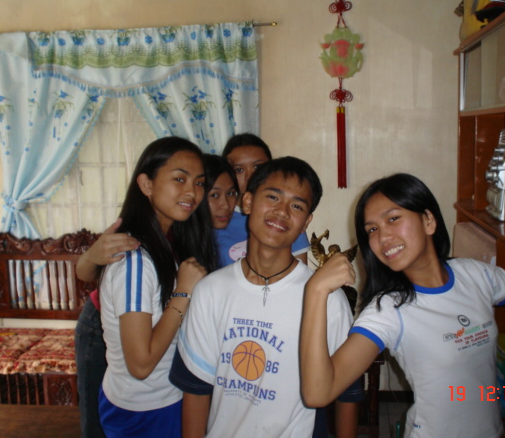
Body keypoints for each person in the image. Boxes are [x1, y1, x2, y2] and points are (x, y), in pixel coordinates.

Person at [299, 173, 505, 438]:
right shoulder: (388, 311)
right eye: (372, 229)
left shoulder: (477, 275)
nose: (382, 238)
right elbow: (317, 394)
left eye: (393, 219)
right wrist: (315, 291)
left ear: (429, 221)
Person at [169, 157, 363, 438]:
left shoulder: (327, 299)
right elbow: (197, 389)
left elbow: (347, 393)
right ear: (248, 202)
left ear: (306, 222)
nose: (282, 211)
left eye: (297, 206)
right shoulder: (210, 291)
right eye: (273, 197)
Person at [74, 152, 234, 437]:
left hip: (163, 388)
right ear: (146, 184)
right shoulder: (137, 256)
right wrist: (184, 292)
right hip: (142, 399)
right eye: (179, 179)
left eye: (198, 183)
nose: (192, 192)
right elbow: (141, 364)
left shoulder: (177, 233)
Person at [217, 133, 310, 265]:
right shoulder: (219, 217)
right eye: (239, 170)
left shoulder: (285, 217)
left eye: (258, 167)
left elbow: (301, 272)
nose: (250, 176)